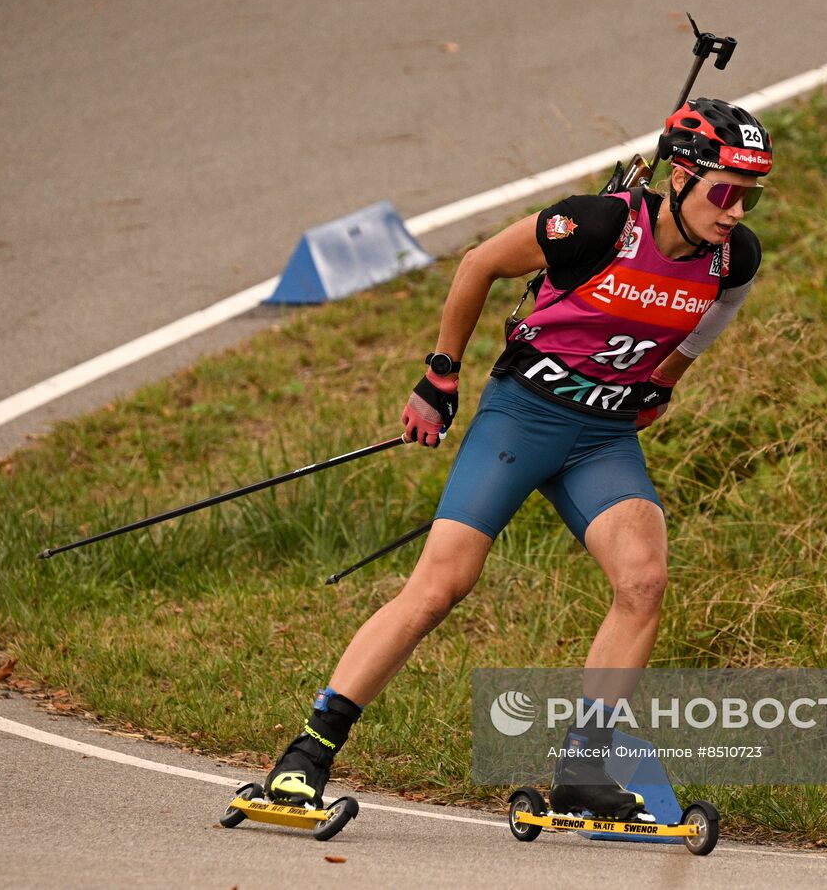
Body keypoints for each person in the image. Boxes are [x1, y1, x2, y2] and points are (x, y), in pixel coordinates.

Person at [263, 97, 773, 819]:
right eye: (725, 191)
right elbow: (479, 265)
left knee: (643, 581)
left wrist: (658, 387)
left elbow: (702, 327)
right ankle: (306, 755)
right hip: (523, 416)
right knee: (441, 587)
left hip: (601, 439)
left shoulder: (734, 258)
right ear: (681, 176)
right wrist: (440, 375)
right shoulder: (598, 225)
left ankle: (582, 770)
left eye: (750, 196)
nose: (736, 211)